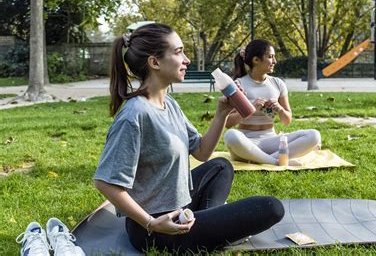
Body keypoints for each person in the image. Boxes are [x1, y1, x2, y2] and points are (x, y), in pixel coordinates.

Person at [93, 24, 284, 254]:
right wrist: (151, 223)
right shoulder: (134, 116)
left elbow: (202, 152)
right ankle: (200, 230)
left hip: (177, 207)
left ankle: (199, 225)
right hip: (155, 229)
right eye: (178, 52)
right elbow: (105, 182)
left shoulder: (170, 104)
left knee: (221, 167)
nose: (186, 60)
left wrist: (222, 114)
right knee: (271, 207)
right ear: (155, 62)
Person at [224, 39, 322, 165]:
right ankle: (277, 161)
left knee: (314, 135)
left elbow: (286, 120)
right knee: (230, 135)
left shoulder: (278, 83)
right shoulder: (238, 85)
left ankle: (264, 159)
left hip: (271, 140)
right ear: (256, 60)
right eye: (270, 57)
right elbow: (227, 123)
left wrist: (280, 109)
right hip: (246, 141)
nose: (275, 61)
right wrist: (251, 108)